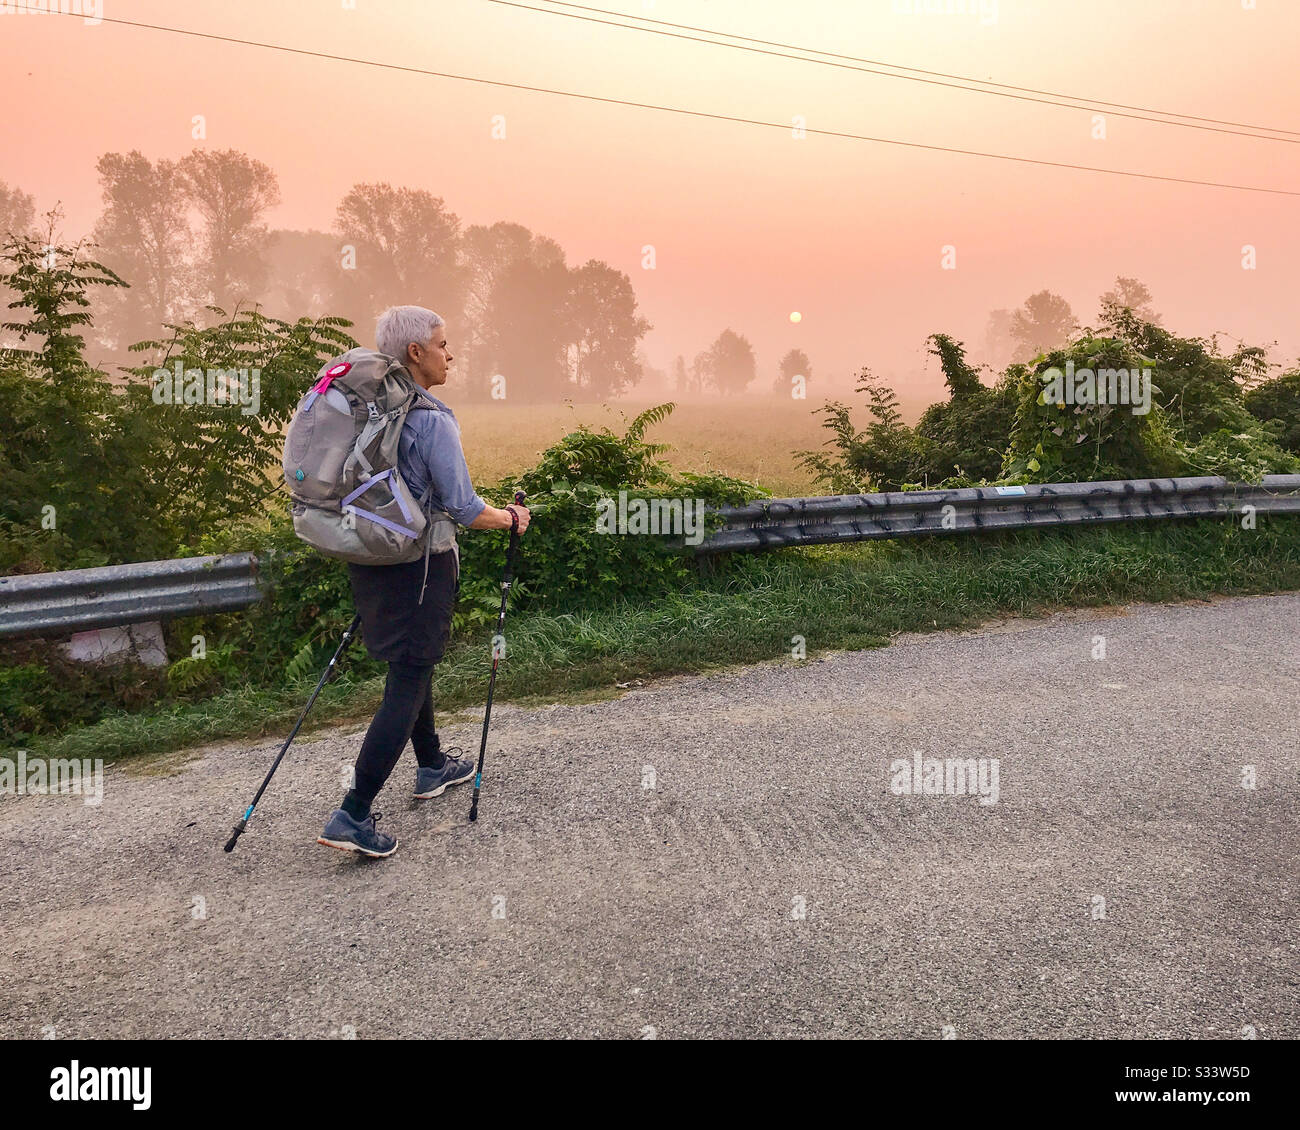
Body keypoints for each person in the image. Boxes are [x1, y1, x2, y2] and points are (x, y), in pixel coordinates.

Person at [317, 305, 530, 858]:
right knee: (409, 679)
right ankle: (353, 811)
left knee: (411, 665)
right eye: (442, 343)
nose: (449, 353)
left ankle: (432, 765)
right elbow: (463, 507)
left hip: (370, 560)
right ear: (416, 353)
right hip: (421, 567)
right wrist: (511, 519)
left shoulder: (366, 412)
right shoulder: (430, 418)